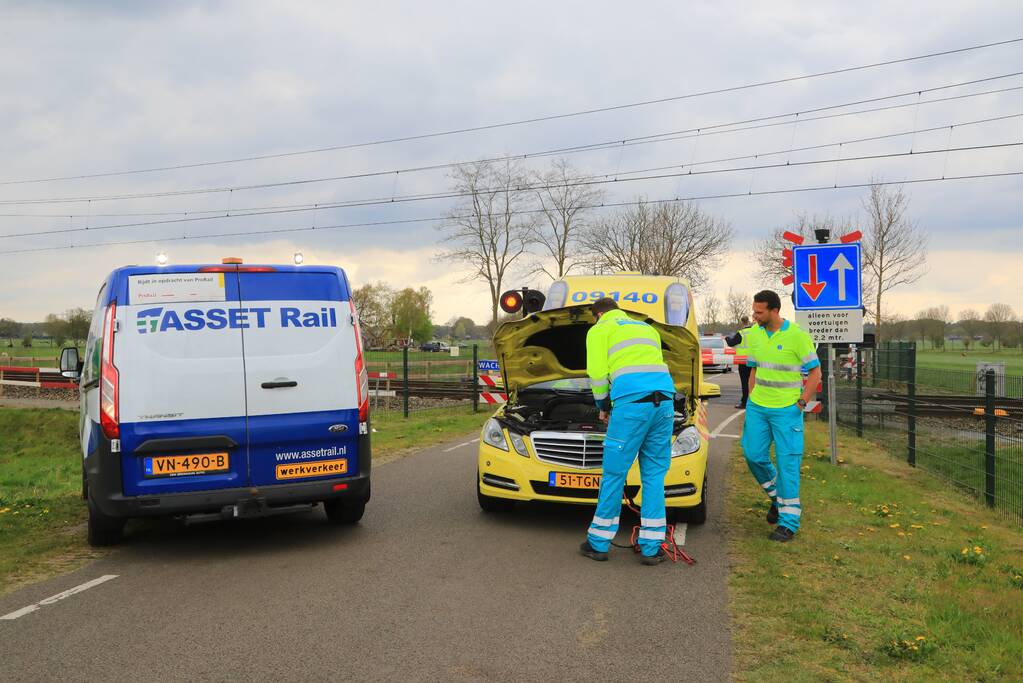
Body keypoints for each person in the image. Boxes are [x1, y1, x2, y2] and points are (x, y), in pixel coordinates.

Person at [579, 298, 677, 565]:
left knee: (614, 473)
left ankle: (598, 543)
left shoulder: (599, 329)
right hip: (664, 402)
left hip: (631, 405)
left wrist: (603, 405)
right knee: (655, 475)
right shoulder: (647, 328)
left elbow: (598, 375)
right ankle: (652, 547)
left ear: (598, 314)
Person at [740, 290, 822, 542]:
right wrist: (752, 398)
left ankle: (788, 522)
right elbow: (753, 370)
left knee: (788, 466)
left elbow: (815, 373)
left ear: (774, 311)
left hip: (787, 411)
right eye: (754, 311)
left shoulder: (797, 336)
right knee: (753, 455)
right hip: (758, 409)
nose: (755, 316)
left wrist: (800, 403)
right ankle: (778, 499)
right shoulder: (755, 335)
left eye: (759, 312)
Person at [725, 315, 759, 409]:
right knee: (755, 383)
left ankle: (744, 402)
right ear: (749, 321)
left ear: (742, 322)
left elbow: (731, 343)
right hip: (755, 361)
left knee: (745, 382)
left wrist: (727, 338)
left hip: (743, 362)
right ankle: (755, 402)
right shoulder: (756, 332)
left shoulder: (741, 333)